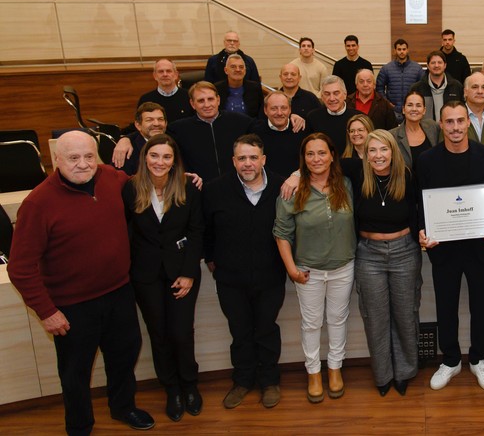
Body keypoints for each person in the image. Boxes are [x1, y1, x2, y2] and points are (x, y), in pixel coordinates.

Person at [9, 131, 155, 434]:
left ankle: (123, 407)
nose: (83, 164)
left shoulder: (112, 179)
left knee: (125, 355)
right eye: (73, 158)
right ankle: (79, 426)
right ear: (56, 160)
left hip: (118, 293)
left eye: (89, 156)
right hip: (71, 306)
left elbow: (147, 184)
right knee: (75, 372)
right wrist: (47, 311)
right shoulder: (37, 203)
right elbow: (20, 268)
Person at [417, 101, 484, 393]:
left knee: (482, 306)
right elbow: (419, 204)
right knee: (446, 306)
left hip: (481, 247)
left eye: (460, 121)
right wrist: (422, 231)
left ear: (468, 123)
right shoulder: (426, 161)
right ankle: (452, 360)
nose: (456, 127)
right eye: (449, 122)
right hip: (444, 248)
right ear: (441, 124)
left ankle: (479, 358)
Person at [122, 134, 204, 423]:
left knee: (182, 333)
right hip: (145, 276)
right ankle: (171, 389)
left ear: (174, 161)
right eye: (154, 156)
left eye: (166, 157)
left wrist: (189, 273)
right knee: (159, 334)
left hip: (182, 272)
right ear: (145, 158)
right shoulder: (130, 189)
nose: (160, 162)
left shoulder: (187, 187)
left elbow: (196, 233)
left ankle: (189, 384)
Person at [202, 134, 286, 410]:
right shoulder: (215, 190)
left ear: (263, 159)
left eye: (253, 158)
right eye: (242, 158)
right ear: (233, 161)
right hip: (230, 278)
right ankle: (242, 380)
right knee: (239, 332)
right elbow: (206, 233)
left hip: (270, 275)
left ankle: (270, 381)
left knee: (266, 329)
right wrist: (213, 261)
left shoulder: (281, 186)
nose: (248, 164)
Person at [274, 133, 356, 403]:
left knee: (337, 319)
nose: (316, 159)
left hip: (343, 267)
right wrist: (292, 270)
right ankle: (313, 372)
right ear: (303, 159)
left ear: (332, 155)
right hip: (307, 272)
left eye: (322, 153)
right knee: (311, 324)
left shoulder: (346, 184)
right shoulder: (292, 190)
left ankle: (335, 369)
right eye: (310, 154)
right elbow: (282, 233)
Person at [352, 130, 422, 397]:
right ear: (365, 154)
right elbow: (319, 165)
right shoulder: (357, 175)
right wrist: (296, 174)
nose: (378, 156)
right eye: (372, 150)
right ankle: (383, 375)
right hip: (368, 254)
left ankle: (404, 372)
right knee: (375, 317)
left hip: (404, 252)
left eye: (384, 150)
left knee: (405, 314)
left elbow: (422, 209)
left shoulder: (407, 176)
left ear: (393, 151)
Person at [165, 82, 254, 182]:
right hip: (199, 188)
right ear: (192, 104)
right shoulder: (178, 130)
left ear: (218, 100)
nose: (207, 105)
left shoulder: (242, 123)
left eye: (210, 99)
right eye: (201, 101)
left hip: (236, 185)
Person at [250, 92, 305, 176]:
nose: (279, 113)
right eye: (274, 108)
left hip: (297, 184)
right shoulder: (254, 133)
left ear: (290, 109)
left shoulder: (302, 129)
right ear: (265, 110)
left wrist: (297, 176)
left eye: (284, 108)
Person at [307, 76, 362, 155]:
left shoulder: (358, 117)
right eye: (327, 94)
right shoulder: (312, 117)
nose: (332, 98)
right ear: (322, 97)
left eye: (336, 93)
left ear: (345, 94)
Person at [376, 38, 424, 123]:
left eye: (404, 49)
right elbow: (379, 88)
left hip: (412, 110)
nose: (402, 52)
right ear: (395, 51)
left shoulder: (417, 69)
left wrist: (417, 104)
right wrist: (387, 103)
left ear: (407, 50)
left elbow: (423, 88)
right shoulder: (386, 69)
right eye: (399, 49)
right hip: (392, 110)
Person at [408, 50, 464, 122]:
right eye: (433, 63)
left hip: (451, 130)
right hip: (426, 131)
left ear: (445, 65)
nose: (436, 65)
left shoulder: (456, 86)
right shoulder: (417, 88)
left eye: (439, 62)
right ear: (428, 66)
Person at [390, 90, 440, 167]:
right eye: (410, 105)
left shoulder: (432, 127)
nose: (414, 109)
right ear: (403, 109)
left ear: (424, 110)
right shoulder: (392, 136)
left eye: (418, 105)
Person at [118, 102, 167, 175]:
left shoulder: (173, 144)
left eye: (160, 119)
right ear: (138, 125)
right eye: (149, 120)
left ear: (166, 123)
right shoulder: (126, 151)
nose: (156, 124)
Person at [138, 58, 191, 123]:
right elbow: (140, 124)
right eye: (161, 71)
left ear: (176, 75)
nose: (165, 74)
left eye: (168, 71)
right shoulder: (146, 100)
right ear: (155, 76)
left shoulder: (189, 96)